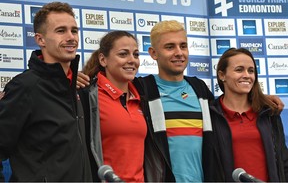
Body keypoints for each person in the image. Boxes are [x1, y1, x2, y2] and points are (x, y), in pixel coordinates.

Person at [77, 20, 284, 182]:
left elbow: (229, 105)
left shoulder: (200, 88)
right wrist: (78, 80)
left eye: (183, 46)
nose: (178, 52)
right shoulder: (142, 89)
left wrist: (262, 98)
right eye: (170, 47)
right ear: (153, 53)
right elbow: (112, 84)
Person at [0, 2, 92, 181]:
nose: (71, 37)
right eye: (61, 31)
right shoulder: (25, 87)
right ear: (40, 39)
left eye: (74, 30)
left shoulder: (78, 88)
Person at [77, 30, 173, 182]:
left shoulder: (143, 96)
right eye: (123, 54)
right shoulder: (86, 96)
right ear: (103, 59)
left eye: (135, 54)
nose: (132, 60)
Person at [203, 48, 288, 182]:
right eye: (239, 70)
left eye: (251, 70)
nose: (247, 75)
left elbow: (283, 161)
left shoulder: (269, 113)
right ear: (222, 75)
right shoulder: (209, 115)